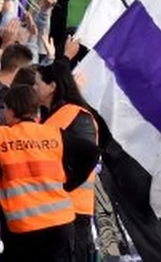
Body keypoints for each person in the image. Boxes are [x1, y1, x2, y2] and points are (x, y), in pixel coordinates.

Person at [0, 85, 74, 261]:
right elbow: (90, 153)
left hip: (24, 228)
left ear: (11, 110)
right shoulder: (53, 133)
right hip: (61, 222)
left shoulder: (1, 137)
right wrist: (69, 184)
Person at [35, 60, 101, 262]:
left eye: (37, 84)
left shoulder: (77, 116)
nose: (34, 89)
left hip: (73, 213)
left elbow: (87, 156)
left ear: (52, 87)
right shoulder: (51, 117)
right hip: (54, 212)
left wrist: (65, 186)